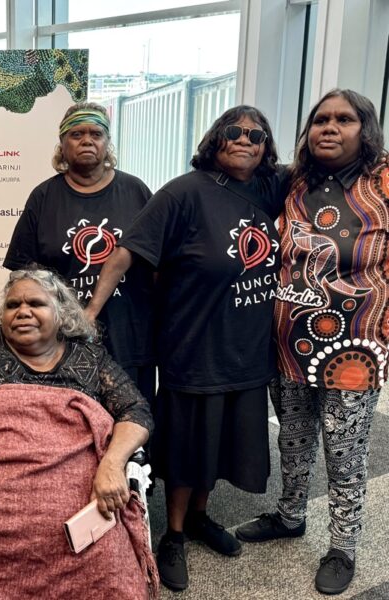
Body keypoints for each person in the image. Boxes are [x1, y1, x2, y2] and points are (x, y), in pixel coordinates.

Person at [84, 106, 285, 592]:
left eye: (256, 135)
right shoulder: (184, 191)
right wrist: (88, 314)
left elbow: (331, 161)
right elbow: (126, 250)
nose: (246, 140)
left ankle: (200, 517)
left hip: (245, 346)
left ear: (266, 148)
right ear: (215, 139)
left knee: (219, 442)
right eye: (234, 132)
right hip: (194, 344)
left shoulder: (269, 187)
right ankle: (172, 534)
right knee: (187, 441)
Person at [0, 269, 157, 599]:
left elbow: (135, 411)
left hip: (78, 491)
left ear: (61, 313)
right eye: (13, 305)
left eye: (35, 303)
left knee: (109, 561)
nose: (23, 311)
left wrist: (112, 464)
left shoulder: (89, 357)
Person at [235, 89, 388, 595]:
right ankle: (291, 514)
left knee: (345, 453)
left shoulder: (384, 180)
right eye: (321, 119)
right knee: (294, 438)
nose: (329, 127)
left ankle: (343, 545)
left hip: (354, 350)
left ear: (365, 128)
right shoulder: (293, 182)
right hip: (288, 343)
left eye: (344, 120)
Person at [4, 102, 155, 400]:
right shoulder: (44, 197)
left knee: (134, 421)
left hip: (130, 336)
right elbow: (22, 273)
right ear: (62, 143)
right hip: (63, 339)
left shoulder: (136, 192)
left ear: (107, 142)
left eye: (96, 134)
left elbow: (157, 263)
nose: (87, 140)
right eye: (77, 134)